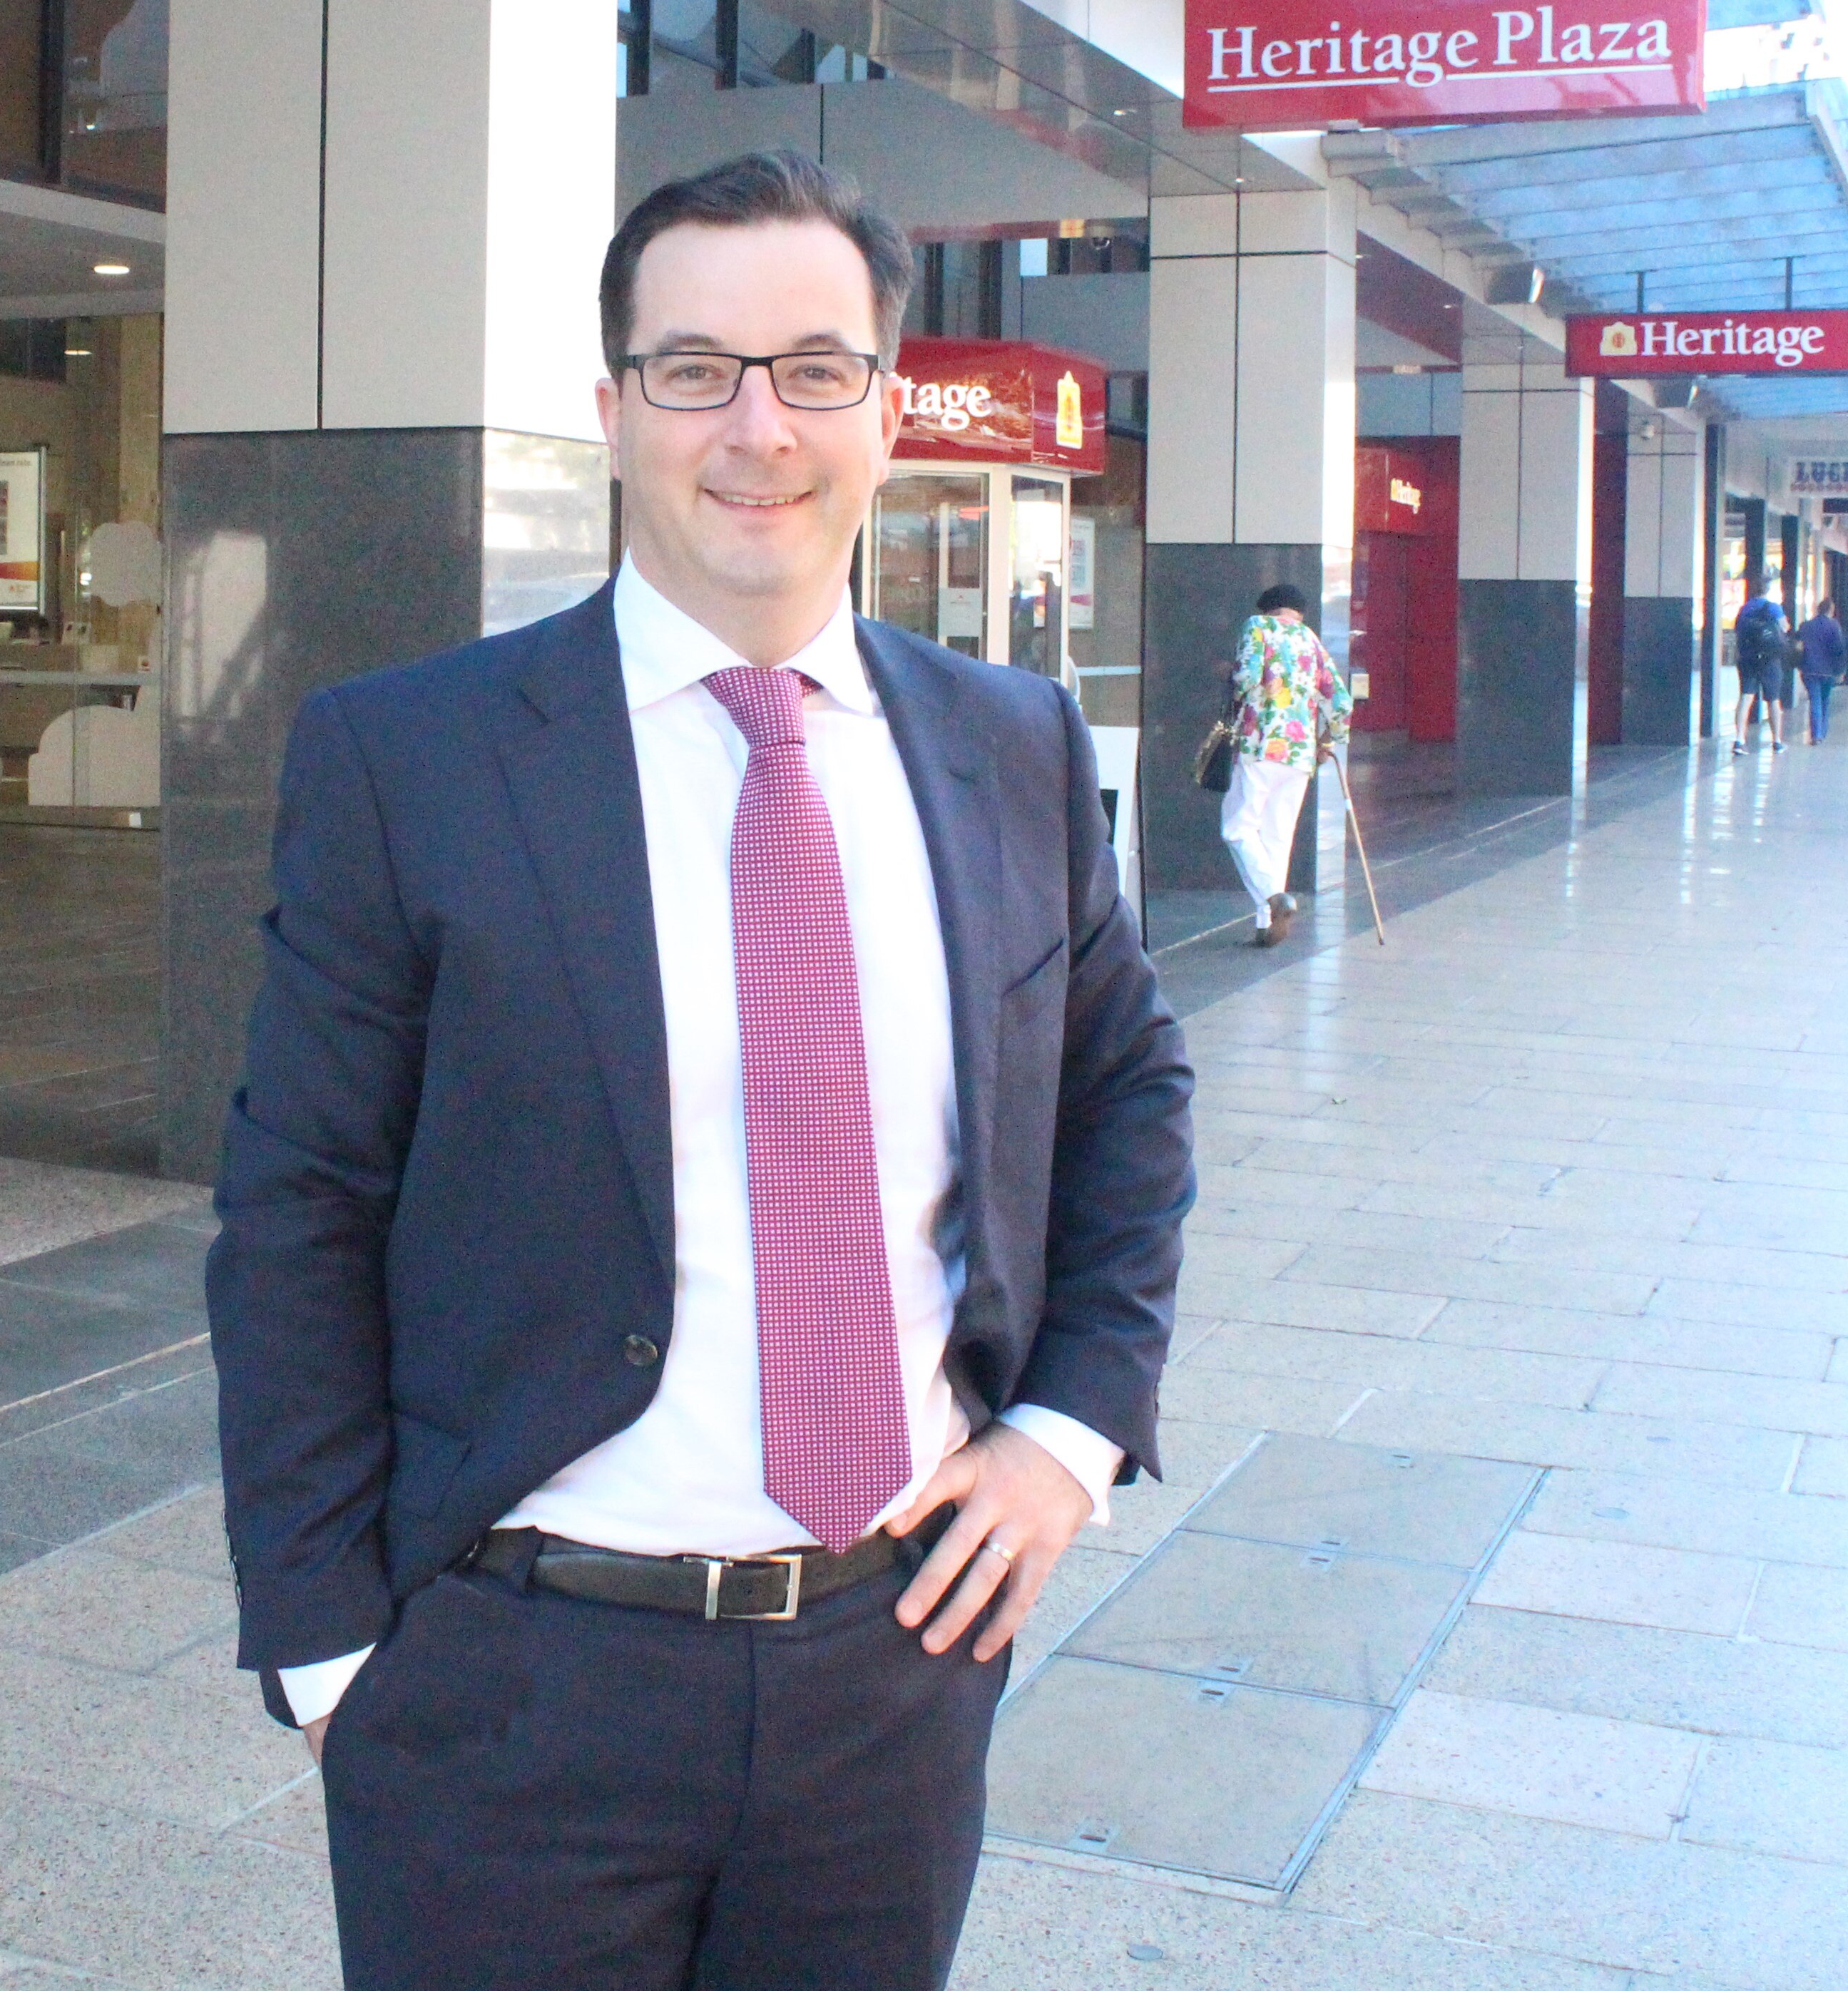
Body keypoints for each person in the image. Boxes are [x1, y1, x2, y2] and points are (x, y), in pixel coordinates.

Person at [207, 149, 1195, 1991]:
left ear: (886, 413)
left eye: (814, 368)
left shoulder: (1012, 750)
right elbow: (297, 1209)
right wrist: (333, 1653)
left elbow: (1126, 1090)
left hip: (890, 1670)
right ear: (612, 410)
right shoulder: (407, 760)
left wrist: (1068, 1433)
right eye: (693, 370)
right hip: (508, 1687)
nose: (757, 426)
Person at [1219, 583, 1347, 947]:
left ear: (1268, 609)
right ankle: (1266, 924)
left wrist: (1229, 675)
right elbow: (1340, 702)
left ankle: (1275, 898)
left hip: (1260, 745)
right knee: (1276, 839)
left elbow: (1245, 679)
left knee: (1238, 828)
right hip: (1300, 753)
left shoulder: (1258, 626)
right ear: (1299, 613)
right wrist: (1327, 741)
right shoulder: (1311, 641)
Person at [1732, 578, 1790, 754]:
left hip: (1748, 658)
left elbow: (1738, 630)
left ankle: (1739, 740)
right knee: (1773, 700)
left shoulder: (1745, 609)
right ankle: (1777, 741)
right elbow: (1785, 628)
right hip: (1770, 659)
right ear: (1768, 590)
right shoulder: (1773, 608)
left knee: (1746, 697)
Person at [1797, 595, 1848, 744]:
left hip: (1809, 669)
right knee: (1825, 700)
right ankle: (1822, 732)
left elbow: (1798, 645)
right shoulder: (1834, 626)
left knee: (1815, 700)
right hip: (1828, 671)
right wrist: (1841, 670)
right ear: (1831, 611)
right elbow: (1840, 649)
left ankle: (1816, 735)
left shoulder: (1806, 626)